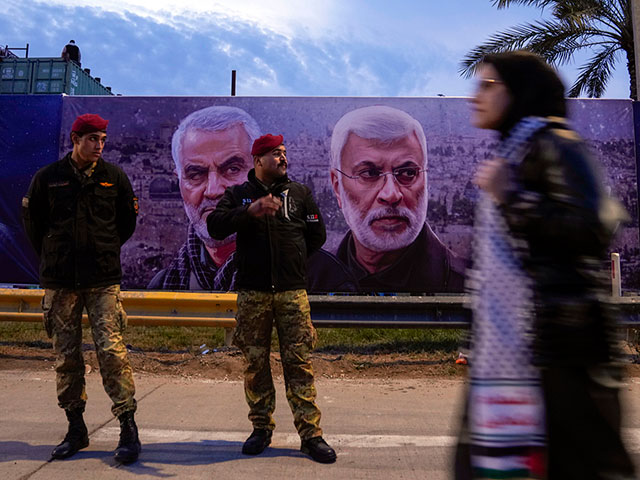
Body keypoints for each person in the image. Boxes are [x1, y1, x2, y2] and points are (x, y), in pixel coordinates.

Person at [454, 51, 635, 479]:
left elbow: (593, 227)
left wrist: (514, 197)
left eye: (487, 85)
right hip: (514, 350)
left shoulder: (557, 143)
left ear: (519, 92)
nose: (474, 97)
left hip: (561, 351)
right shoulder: (515, 152)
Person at [207, 133, 337, 463]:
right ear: (258, 161)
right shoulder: (238, 195)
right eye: (276, 154)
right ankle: (261, 428)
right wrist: (248, 211)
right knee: (255, 364)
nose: (283, 158)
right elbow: (215, 225)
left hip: (293, 293)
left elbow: (316, 234)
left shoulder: (300, 194)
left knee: (300, 364)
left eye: (284, 153)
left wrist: (291, 260)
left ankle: (311, 435)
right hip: (253, 294)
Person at [22, 113, 141, 464]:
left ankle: (127, 426)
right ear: (75, 139)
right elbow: (34, 225)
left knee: (112, 352)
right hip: (61, 281)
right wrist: (57, 253)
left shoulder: (113, 178)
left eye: (103, 139)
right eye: (92, 139)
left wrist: (101, 248)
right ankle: (76, 428)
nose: (99, 146)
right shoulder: (48, 179)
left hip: (102, 279)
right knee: (67, 357)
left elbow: (126, 223)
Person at [307, 105, 466, 294]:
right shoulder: (311, 282)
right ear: (337, 187)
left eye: (408, 173)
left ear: (426, 181)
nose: (391, 194)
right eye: (369, 173)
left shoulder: (468, 288)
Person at [147, 106, 259, 291]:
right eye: (196, 174)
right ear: (180, 183)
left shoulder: (312, 273)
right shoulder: (162, 285)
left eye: (232, 169)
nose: (213, 190)